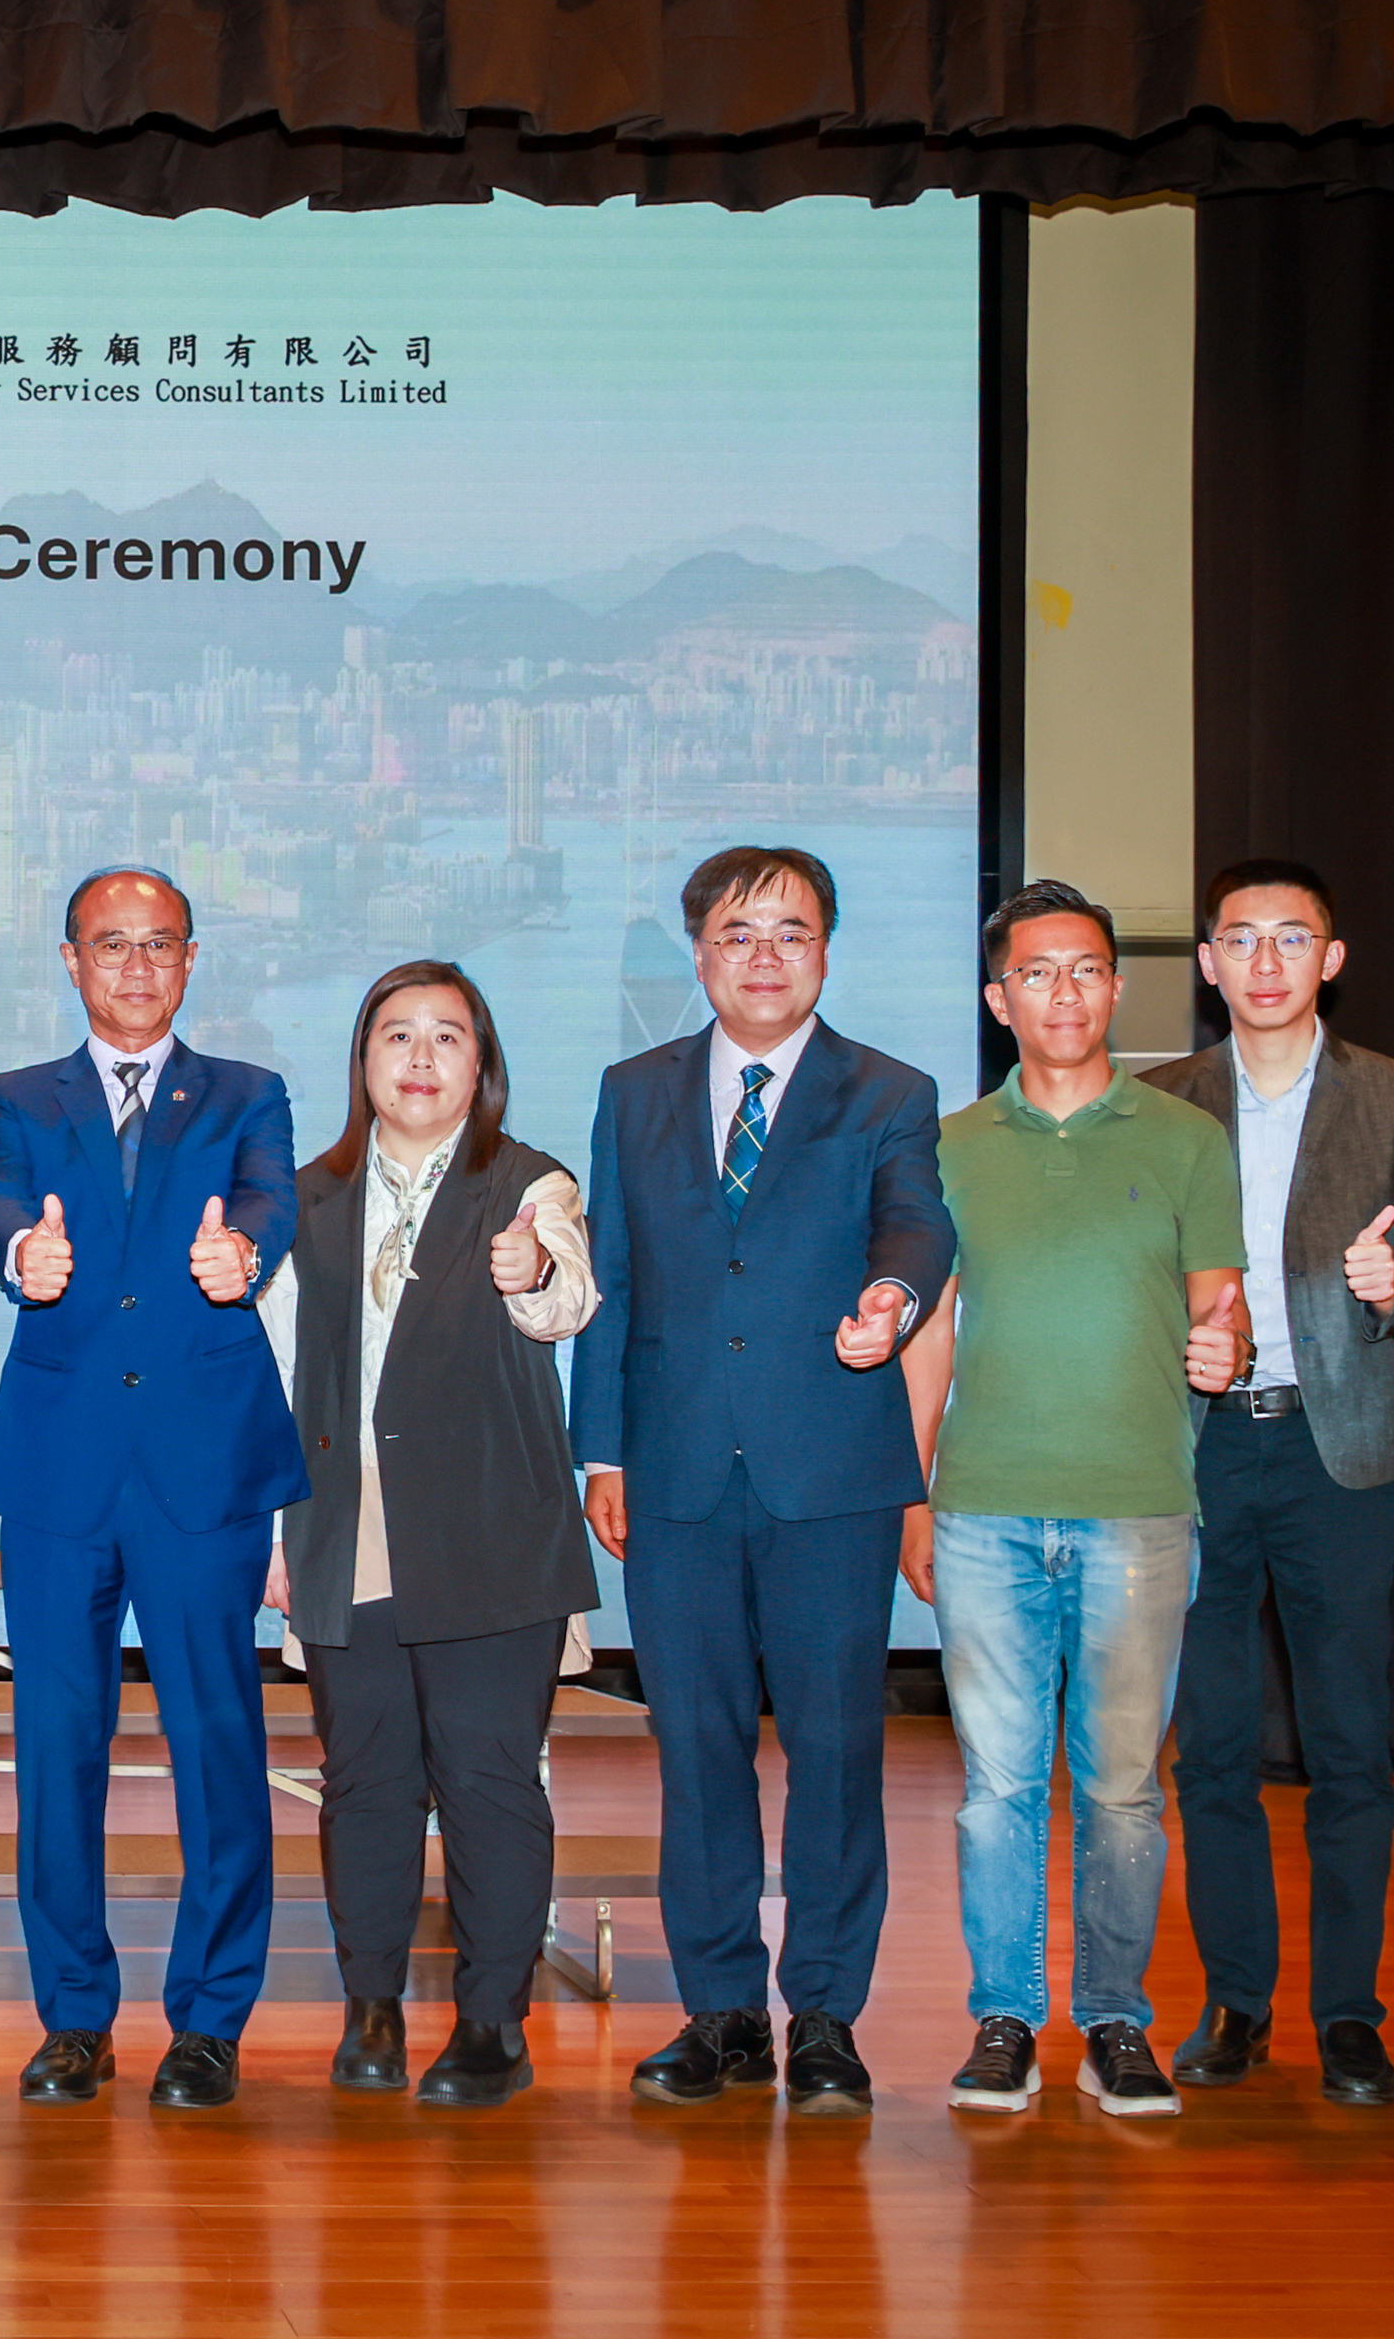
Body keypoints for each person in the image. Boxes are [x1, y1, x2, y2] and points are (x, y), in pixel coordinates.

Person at [571, 844, 953, 2115]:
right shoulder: (634, 1092)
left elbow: (917, 1225)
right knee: (697, 1749)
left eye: (790, 933)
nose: (764, 957)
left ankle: (828, 2015)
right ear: (699, 954)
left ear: (826, 950)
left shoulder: (888, 1090)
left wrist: (893, 1299)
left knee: (840, 1751)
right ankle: (721, 2010)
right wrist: (603, 1448)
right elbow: (615, 1278)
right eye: (738, 935)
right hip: (675, 1474)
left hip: (830, 1474)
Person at [901, 879, 1247, 2117]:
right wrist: (913, 1498)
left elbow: (1221, 1305)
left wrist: (1232, 1345)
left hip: (1140, 1512)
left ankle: (1113, 2021)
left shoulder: (1185, 1140)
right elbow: (929, 1331)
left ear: (1115, 985)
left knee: (1120, 1791)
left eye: (1086, 968)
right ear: (999, 1000)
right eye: (1036, 972)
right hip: (983, 1512)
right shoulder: (943, 1147)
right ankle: (1003, 2019)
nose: (1064, 990)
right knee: (997, 1790)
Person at [0, 866, 301, 2111]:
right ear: (69, 961)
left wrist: (246, 1252)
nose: (136, 967)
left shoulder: (245, 1092)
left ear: (192, 959)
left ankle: (210, 2020)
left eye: (160, 945)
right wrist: (17, 1251)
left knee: (216, 1739)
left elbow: (270, 1196)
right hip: (59, 1467)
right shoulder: (17, 1097)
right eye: (111, 946)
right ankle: (73, 2016)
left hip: (203, 1462)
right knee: (59, 1745)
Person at [1136, 858, 1394, 2108]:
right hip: (1198, 1451)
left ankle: (1348, 2015)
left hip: (1340, 1453)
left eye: (1290, 939)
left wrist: (1390, 1291)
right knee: (1210, 1750)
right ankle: (1235, 2002)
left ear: (1331, 957)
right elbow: (1131, 1292)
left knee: (1348, 1749)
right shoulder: (1159, 1104)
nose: (1263, 963)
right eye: (1239, 941)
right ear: (1207, 964)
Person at [261, 960, 600, 2108]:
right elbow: (269, 1377)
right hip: (341, 1530)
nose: (418, 1058)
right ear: (362, 1063)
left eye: (446, 1037)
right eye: (395, 1037)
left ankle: (493, 2023)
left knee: (489, 1781)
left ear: (480, 1063)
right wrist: (270, 1531)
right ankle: (369, 2009)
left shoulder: (532, 1185)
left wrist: (532, 1267)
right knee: (364, 1784)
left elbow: (566, 1297)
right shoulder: (307, 1198)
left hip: (493, 1540)